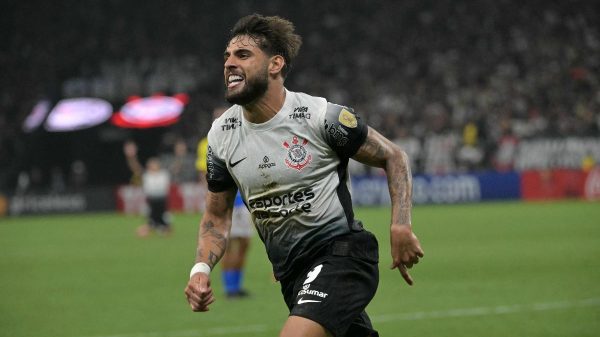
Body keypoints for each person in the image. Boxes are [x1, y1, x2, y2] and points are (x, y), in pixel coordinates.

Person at [184, 14, 424, 337]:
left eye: (242, 55)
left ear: (275, 65)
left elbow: (393, 156)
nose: (229, 63)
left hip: (342, 256)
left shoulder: (321, 117)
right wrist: (200, 269)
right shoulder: (221, 136)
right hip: (292, 275)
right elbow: (215, 216)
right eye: (226, 56)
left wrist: (400, 224)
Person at [196, 108, 254, 298]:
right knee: (227, 244)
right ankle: (230, 289)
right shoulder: (208, 143)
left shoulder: (243, 137)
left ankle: (236, 285)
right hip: (229, 201)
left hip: (244, 201)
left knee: (245, 243)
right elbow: (206, 176)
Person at [123, 140, 172, 237]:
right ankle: (152, 227)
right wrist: (131, 157)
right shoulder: (146, 175)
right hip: (151, 201)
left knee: (165, 225)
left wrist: (180, 155)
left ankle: (158, 227)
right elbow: (135, 168)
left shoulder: (164, 174)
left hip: (162, 201)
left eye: (155, 164)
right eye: (151, 164)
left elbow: (176, 168)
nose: (153, 166)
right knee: (151, 222)